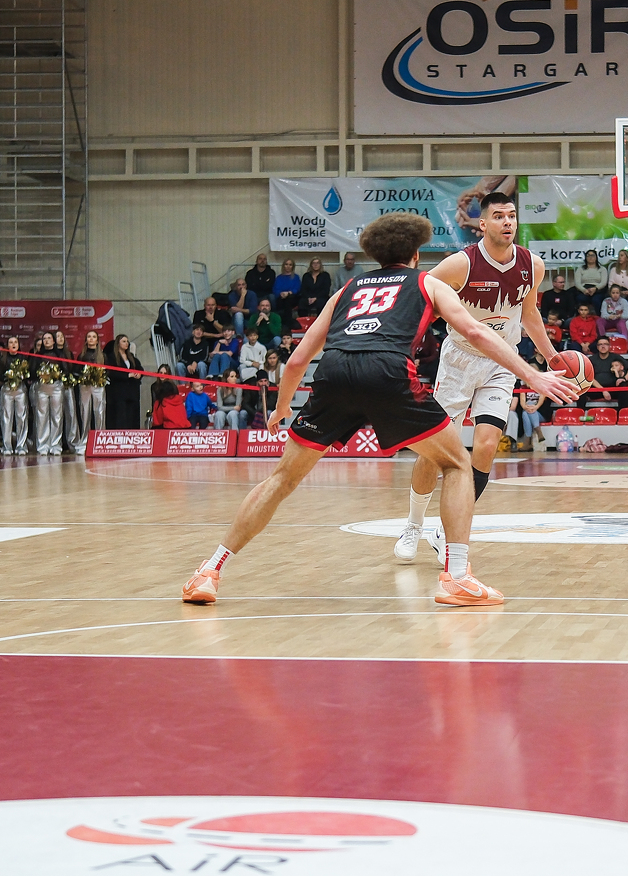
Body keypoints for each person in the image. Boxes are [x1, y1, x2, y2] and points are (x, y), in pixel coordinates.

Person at [181, 210, 579, 608]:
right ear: (416, 254)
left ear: (374, 253)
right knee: (458, 464)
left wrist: (282, 406)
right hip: (388, 373)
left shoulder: (348, 288)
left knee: (282, 479)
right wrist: (532, 374)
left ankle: (209, 571)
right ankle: (457, 577)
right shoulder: (426, 282)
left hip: (334, 374)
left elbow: (299, 358)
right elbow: (475, 331)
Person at [392, 190, 568, 565]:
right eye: (499, 216)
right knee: (435, 450)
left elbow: (530, 313)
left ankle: (447, 529)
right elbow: (418, 296)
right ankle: (413, 524)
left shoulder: (532, 265)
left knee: (487, 446)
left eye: (512, 215)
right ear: (483, 224)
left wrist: (551, 355)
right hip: (459, 358)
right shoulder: (461, 264)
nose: (508, 222)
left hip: (502, 360)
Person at [105, 335, 144, 429]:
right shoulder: (112, 358)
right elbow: (111, 372)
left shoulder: (132, 357)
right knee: (121, 417)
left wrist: (139, 374)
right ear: (118, 343)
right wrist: (127, 375)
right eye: (124, 341)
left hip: (132, 392)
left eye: (127, 341)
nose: (127, 343)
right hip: (119, 392)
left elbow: (140, 368)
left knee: (132, 417)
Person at [272, 258, 301, 328]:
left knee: (288, 301)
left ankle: (287, 323)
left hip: (293, 297)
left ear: (292, 267)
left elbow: (297, 288)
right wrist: (281, 293)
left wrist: (288, 293)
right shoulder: (279, 278)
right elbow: (275, 289)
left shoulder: (296, 277)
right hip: (281, 297)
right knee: (281, 302)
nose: (288, 266)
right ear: (283, 266)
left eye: (290, 265)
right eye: (286, 264)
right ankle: (283, 322)